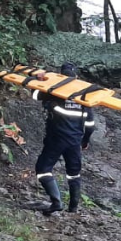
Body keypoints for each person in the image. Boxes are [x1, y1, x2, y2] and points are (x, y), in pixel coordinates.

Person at [33, 62, 95, 215]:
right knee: (74, 173)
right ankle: (73, 208)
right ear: (77, 78)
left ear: (61, 75)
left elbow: (35, 95)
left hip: (56, 139)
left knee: (43, 168)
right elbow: (90, 124)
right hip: (74, 141)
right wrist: (85, 141)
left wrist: (39, 82)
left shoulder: (54, 91)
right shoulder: (84, 97)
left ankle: (56, 202)